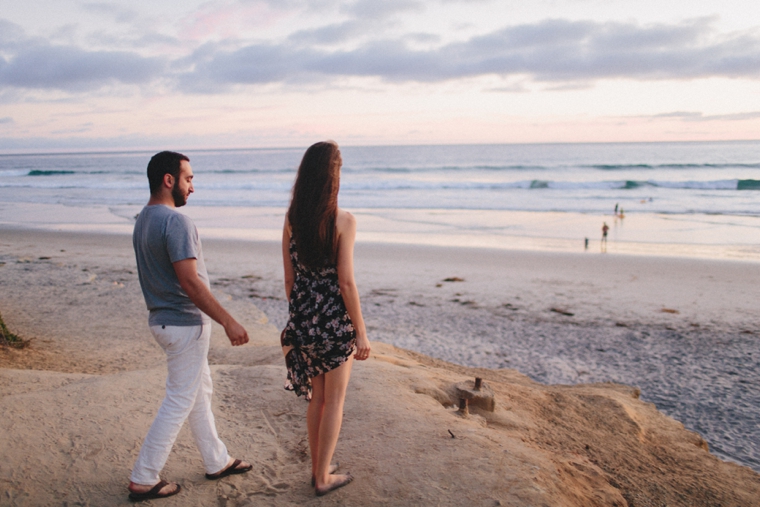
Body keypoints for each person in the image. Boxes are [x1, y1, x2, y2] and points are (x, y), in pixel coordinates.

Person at [128, 151, 252, 501]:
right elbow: (191, 282)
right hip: (184, 324)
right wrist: (228, 321)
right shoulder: (176, 222)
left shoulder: (143, 219)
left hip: (163, 322)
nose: (192, 187)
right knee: (180, 399)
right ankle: (143, 477)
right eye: (188, 179)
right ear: (169, 180)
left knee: (200, 392)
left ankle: (217, 460)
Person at [280, 141, 371, 497]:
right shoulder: (344, 221)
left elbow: (289, 279)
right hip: (334, 323)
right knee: (334, 401)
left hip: (302, 321)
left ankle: (319, 467)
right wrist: (360, 333)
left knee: (317, 399)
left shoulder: (291, 218)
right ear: (333, 175)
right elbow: (346, 282)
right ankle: (322, 478)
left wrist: (304, 316)